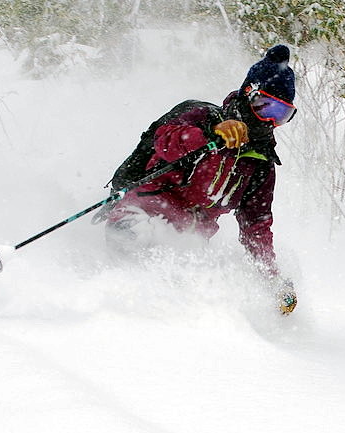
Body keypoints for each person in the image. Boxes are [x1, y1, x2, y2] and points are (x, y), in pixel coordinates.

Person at [103, 45, 298, 314]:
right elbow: (165, 140)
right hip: (141, 211)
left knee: (189, 279)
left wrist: (271, 277)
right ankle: (106, 306)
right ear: (248, 95)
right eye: (266, 107)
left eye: (281, 115)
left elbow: (256, 226)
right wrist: (211, 135)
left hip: (188, 237)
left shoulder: (260, 163)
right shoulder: (202, 117)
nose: (270, 121)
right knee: (136, 242)